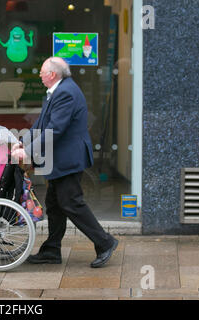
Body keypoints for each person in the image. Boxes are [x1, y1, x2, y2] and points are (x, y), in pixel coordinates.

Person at [11, 56, 118, 268]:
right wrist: (22, 143)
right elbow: (42, 124)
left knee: (71, 203)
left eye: (42, 72)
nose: (39, 76)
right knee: (54, 203)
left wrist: (29, 153)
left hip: (68, 158)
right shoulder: (57, 92)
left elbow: (55, 130)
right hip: (62, 157)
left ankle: (105, 242)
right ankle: (52, 250)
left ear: (52, 74)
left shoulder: (66, 93)